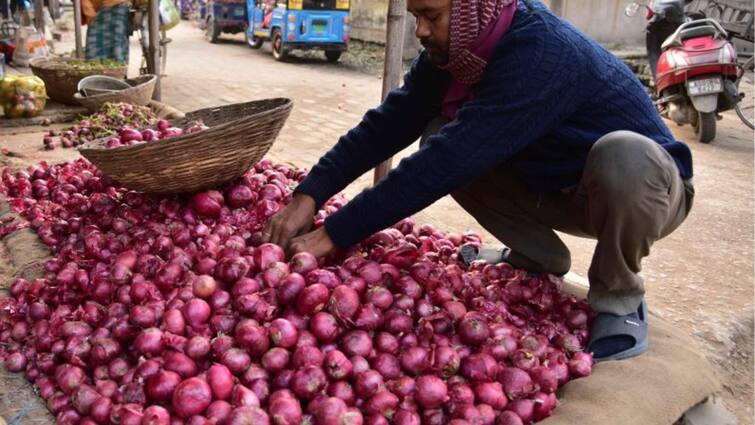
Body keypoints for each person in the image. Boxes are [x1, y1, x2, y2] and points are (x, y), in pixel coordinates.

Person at [263, 0, 694, 362]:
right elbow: (389, 124)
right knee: (438, 134)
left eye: (431, 15)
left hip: (646, 189)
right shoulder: (457, 54)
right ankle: (539, 255)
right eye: (415, 16)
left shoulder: (541, 52)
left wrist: (334, 235)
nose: (422, 31)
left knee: (622, 154)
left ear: (471, 8)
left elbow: (445, 162)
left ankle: (620, 298)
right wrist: (310, 194)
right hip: (554, 186)